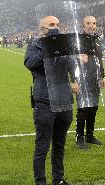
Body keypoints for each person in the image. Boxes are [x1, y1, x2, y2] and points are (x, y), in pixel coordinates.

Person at [24, 16, 72, 185]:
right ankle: (40, 182)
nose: (55, 28)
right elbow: (30, 63)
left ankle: (58, 179)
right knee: (42, 147)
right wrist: (48, 45)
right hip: (45, 101)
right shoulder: (35, 45)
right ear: (42, 29)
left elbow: (71, 65)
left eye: (57, 24)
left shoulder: (64, 44)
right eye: (51, 25)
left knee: (59, 144)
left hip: (64, 100)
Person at [71, 16, 105, 149]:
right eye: (89, 23)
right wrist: (76, 56)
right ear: (83, 26)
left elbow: (99, 61)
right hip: (82, 80)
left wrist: (102, 76)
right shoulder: (77, 40)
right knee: (83, 109)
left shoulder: (97, 40)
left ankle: (90, 136)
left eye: (94, 23)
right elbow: (66, 56)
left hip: (95, 79)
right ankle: (79, 138)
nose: (92, 25)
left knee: (93, 108)